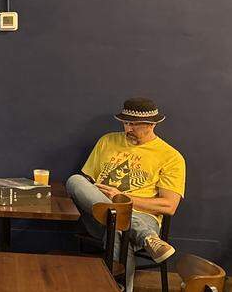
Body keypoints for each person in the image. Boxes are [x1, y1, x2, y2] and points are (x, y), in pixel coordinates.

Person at [66, 97, 185, 264]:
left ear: (152, 124)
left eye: (134, 124)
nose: (128, 128)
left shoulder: (171, 157)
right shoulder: (107, 141)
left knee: (117, 231)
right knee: (75, 180)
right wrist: (106, 198)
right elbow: (87, 182)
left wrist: (121, 198)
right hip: (99, 214)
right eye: (125, 123)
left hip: (142, 216)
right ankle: (147, 237)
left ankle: (119, 289)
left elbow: (169, 206)